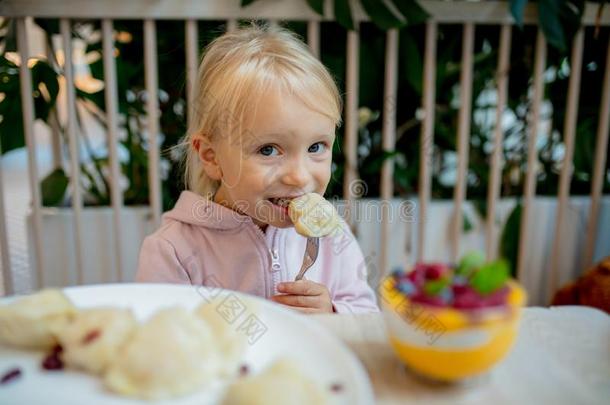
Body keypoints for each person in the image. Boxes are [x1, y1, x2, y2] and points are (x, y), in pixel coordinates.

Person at [136, 24, 378, 314]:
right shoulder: (173, 251)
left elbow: (366, 315)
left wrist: (333, 312)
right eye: (268, 150)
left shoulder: (333, 236)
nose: (299, 176)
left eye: (316, 147)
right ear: (211, 157)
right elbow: (158, 337)